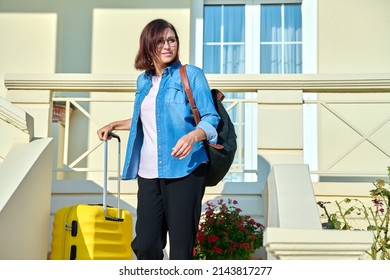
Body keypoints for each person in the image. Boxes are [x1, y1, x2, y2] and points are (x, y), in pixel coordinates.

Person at [97, 18, 220, 260]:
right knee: (145, 244)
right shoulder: (143, 81)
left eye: (171, 40)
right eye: (160, 41)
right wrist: (114, 124)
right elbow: (149, 118)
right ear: (148, 45)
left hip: (185, 170)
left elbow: (210, 117)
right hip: (149, 172)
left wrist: (194, 135)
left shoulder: (191, 74)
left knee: (181, 250)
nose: (167, 46)